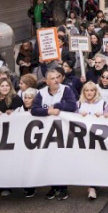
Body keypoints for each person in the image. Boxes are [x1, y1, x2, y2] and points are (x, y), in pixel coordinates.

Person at [31, 67, 78, 201]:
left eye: (58, 77)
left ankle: (62, 188)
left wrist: (57, 105)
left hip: (63, 131)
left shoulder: (66, 89)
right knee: (49, 159)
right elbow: (34, 110)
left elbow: (71, 105)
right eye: (53, 78)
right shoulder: (41, 93)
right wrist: (48, 112)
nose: (56, 80)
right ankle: (53, 186)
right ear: (47, 81)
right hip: (47, 132)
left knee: (61, 159)